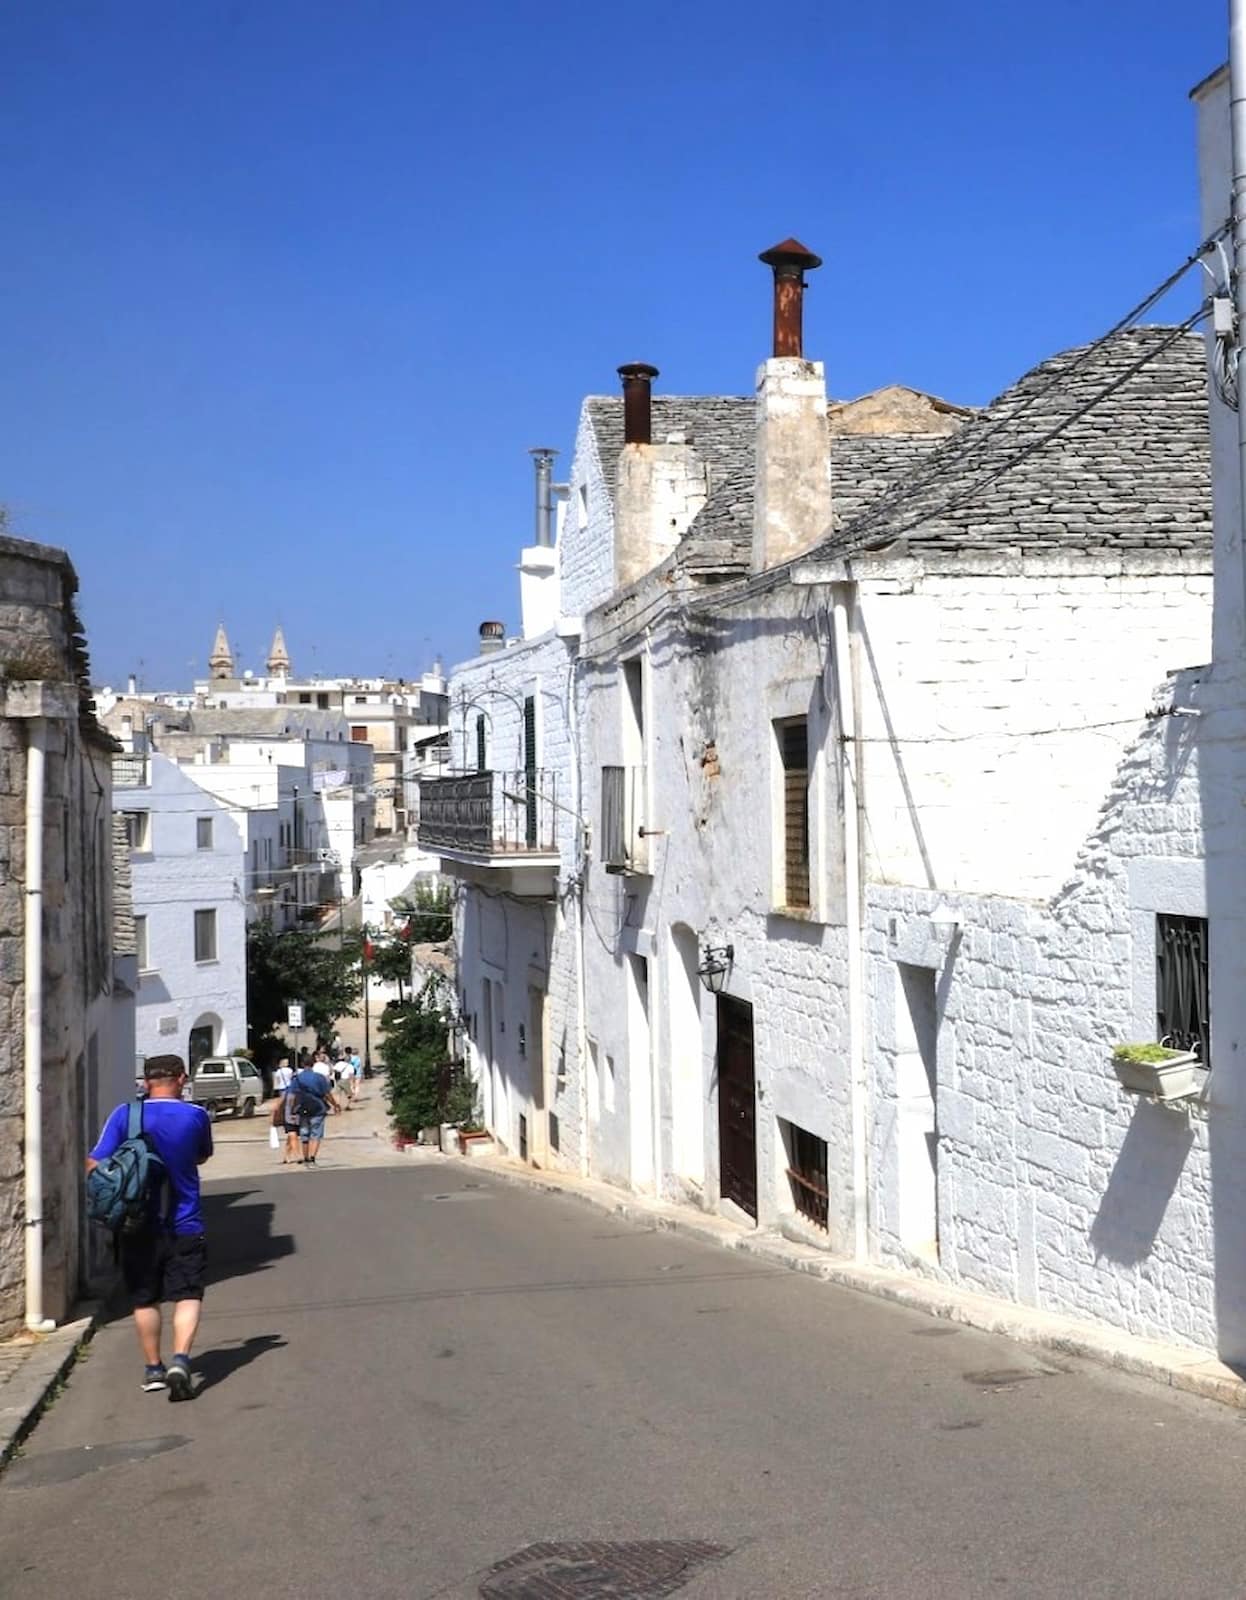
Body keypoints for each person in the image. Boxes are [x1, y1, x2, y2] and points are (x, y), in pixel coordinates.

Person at [86, 1054, 212, 1399]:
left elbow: (95, 1164)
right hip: (185, 1222)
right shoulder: (197, 1116)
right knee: (187, 1295)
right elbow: (202, 1156)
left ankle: (154, 1368)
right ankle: (181, 1359)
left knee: (145, 1300)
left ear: (146, 1081)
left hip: (137, 1224)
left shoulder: (125, 1114)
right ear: (181, 1079)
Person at [288, 1055, 336, 1164]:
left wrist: (291, 1110)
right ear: (313, 1064)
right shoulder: (320, 1078)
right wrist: (335, 1105)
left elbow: (292, 1096)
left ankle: (305, 1157)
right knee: (316, 1133)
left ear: (302, 1064)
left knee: (304, 1133)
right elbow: (327, 1094)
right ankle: (312, 1157)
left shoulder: (297, 1078)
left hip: (303, 1108)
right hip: (318, 1108)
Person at [271, 1057, 299, 1164]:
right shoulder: (290, 1071)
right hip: (290, 1097)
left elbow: (276, 1083)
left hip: (282, 1091)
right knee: (293, 1133)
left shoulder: (278, 1072)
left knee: (291, 1133)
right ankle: (297, 1155)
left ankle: (287, 1156)